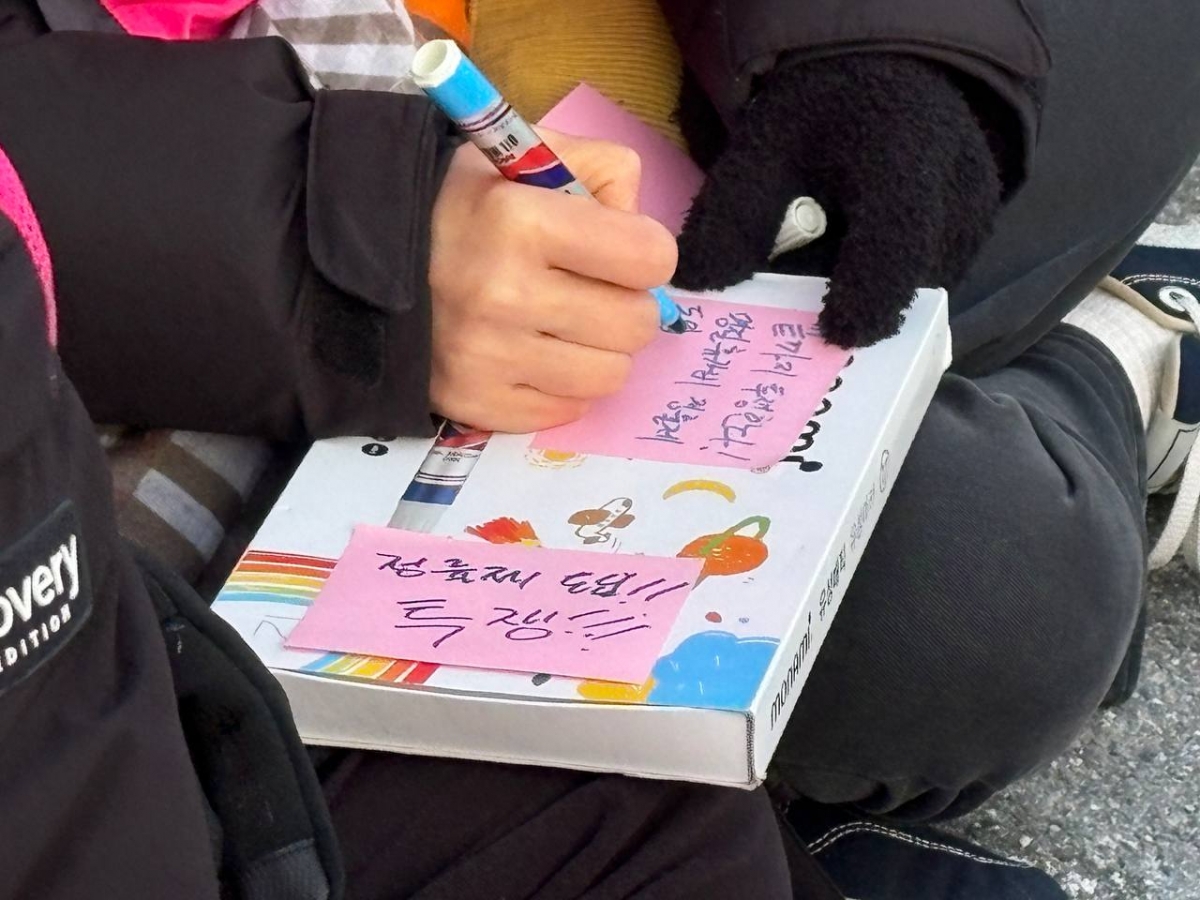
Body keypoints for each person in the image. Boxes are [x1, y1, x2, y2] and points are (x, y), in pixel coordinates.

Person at [2, 0, 1198, 897]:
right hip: (229, 371)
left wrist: (880, 43)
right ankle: (1108, 353)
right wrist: (339, 249)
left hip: (572, 159)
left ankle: (1057, 348)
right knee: (991, 590)